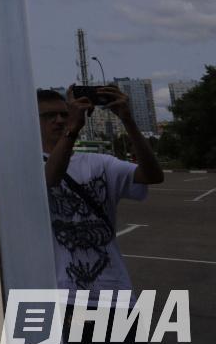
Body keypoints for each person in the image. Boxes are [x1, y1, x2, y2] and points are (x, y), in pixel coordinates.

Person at [39, 86, 164, 298]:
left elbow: (152, 175)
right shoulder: (25, 165)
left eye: (64, 114)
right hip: (59, 294)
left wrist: (128, 121)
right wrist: (72, 129)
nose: (59, 120)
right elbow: (50, 178)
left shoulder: (100, 163)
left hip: (114, 292)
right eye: (49, 115)